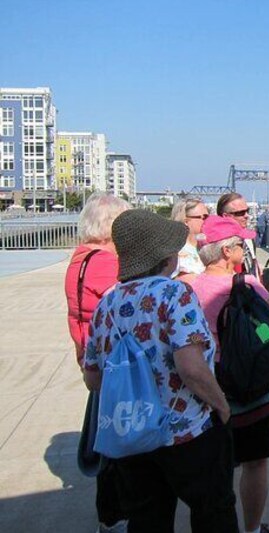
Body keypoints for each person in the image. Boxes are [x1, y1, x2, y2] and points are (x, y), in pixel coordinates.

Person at [83, 209, 237, 533]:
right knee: (213, 512)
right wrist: (221, 405)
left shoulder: (105, 305)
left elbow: (93, 378)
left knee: (147, 520)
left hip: (133, 435)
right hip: (184, 433)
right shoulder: (174, 294)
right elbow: (191, 367)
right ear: (163, 257)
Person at [192, 215, 269, 533]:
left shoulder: (191, 285)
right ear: (227, 251)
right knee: (255, 462)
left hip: (207, 380)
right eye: (241, 244)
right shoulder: (245, 285)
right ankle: (252, 528)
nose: (246, 248)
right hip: (247, 384)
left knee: (216, 463)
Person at [63, 193, 131, 532]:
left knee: (110, 440)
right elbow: (126, 306)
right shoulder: (105, 262)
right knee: (119, 446)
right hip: (111, 364)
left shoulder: (80, 258)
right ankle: (115, 517)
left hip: (91, 358)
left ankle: (112, 515)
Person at [217, 192, 259, 276]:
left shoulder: (248, 239)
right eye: (240, 213)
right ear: (226, 216)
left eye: (247, 211)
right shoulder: (216, 243)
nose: (246, 215)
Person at [170, 198, 210, 284]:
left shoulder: (208, 246)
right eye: (204, 217)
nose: (208, 221)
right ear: (186, 221)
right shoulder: (175, 252)